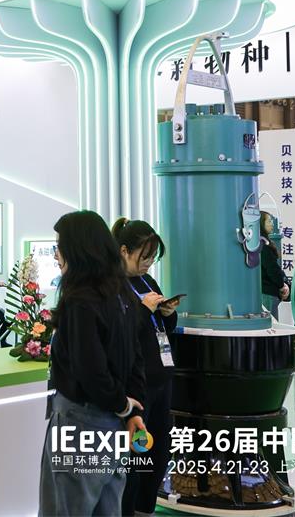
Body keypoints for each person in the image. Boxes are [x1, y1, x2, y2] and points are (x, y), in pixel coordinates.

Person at [40, 211, 146, 517]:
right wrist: (131, 411)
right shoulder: (122, 293)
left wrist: (123, 406)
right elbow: (135, 358)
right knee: (107, 509)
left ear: (78, 249)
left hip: (80, 422)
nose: (56, 254)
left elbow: (90, 369)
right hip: (114, 426)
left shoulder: (80, 300)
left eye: (59, 246)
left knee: (66, 509)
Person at [112, 218, 176, 517]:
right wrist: (143, 309)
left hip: (162, 377)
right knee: (136, 456)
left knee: (159, 451)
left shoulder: (147, 282)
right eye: (144, 256)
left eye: (153, 257)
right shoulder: (112, 286)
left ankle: (145, 510)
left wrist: (167, 313)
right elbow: (119, 334)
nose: (149, 263)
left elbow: (162, 328)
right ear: (124, 251)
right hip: (137, 384)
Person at [259, 211, 289, 319]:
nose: (272, 224)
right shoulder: (264, 246)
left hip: (264, 291)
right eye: (269, 221)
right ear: (261, 224)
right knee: (271, 324)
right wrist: (282, 285)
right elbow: (272, 269)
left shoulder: (257, 244)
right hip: (268, 293)